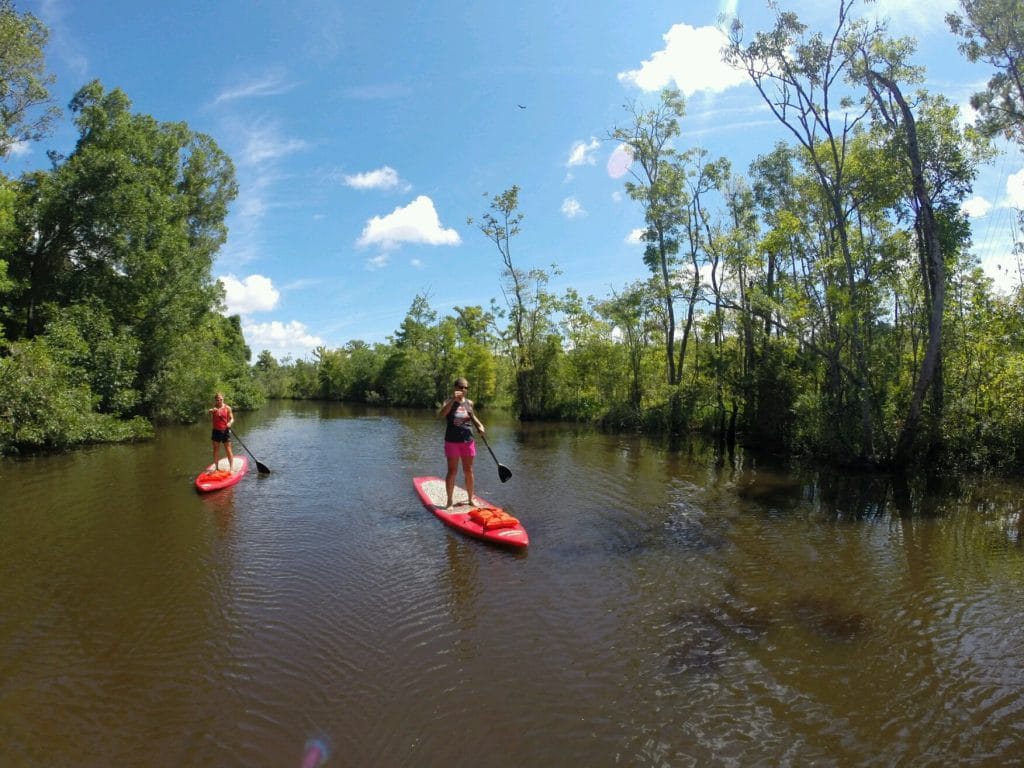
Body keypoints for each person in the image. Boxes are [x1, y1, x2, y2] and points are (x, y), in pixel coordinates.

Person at [438, 377, 485, 508]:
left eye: (466, 387)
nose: (463, 389)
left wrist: (480, 425)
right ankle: (449, 501)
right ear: (455, 387)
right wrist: (454, 399)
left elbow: (472, 416)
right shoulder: (448, 401)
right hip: (452, 441)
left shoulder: (469, 403)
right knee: (452, 471)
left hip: (468, 440)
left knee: (468, 470)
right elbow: (441, 414)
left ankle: (470, 499)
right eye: (461, 387)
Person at [208, 392, 235, 472]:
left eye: (221, 399)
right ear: (215, 400)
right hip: (216, 431)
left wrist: (230, 423)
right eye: (217, 400)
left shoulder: (227, 408)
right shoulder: (214, 409)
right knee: (216, 450)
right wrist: (211, 411)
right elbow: (209, 411)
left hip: (225, 431)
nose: (219, 401)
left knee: (228, 449)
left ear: (223, 399)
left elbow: (232, 418)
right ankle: (216, 468)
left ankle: (231, 468)